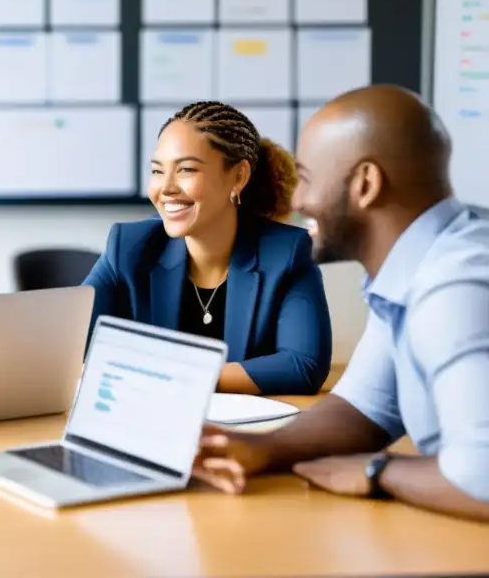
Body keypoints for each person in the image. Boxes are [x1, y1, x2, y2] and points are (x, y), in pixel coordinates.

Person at [194, 85, 489, 522]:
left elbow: (480, 481)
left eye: (307, 178)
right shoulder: (419, 267)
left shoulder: (452, 287)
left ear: (365, 184)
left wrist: (379, 472)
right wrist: (258, 449)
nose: (296, 202)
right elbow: (363, 409)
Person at [83, 101, 332, 395]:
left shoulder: (286, 252)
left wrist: (173, 377)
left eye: (186, 169)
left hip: (245, 432)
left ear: (239, 177)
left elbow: (303, 365)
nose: (166, 188)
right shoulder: (128, 248)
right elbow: (71, 348)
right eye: (158, 171)